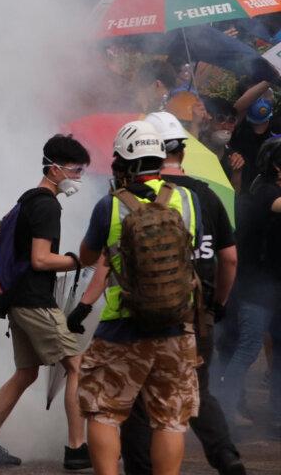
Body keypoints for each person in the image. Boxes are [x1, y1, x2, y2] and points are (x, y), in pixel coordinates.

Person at [111, 112, 244, 475]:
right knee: (195, 391)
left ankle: (140, 469)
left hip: (142, 314)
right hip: (195, 313)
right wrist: (219, 303)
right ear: (183, 150)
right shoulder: (204, 195)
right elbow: (229, 259)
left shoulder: (128, 197)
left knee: (138, 399)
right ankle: (226, 457)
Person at [75, 120, 202, 475]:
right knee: (169, 418)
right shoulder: (187, 200)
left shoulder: (109, 206)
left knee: (104, 411)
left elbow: (87, 257)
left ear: (125, 163)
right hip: (176, 325)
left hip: (121, 325)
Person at [0, 134, 90, 470]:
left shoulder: (28, 200)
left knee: (25, 373)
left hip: (18, 300)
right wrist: (77, 261)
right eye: (75, 170)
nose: (79, 177)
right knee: (76, 366)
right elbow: (41, 259)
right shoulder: (46, 205)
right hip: (34, 301)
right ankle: (76, 448)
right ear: (54, 170)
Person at [218, 137, 281, 430]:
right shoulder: (265, 192)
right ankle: (225, 408)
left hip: (272, 284)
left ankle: (277, 414)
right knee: (248, 347)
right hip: (256, 287)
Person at [225, 81, 274, 193]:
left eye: (265, 95)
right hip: (237, 186)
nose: (262, 100)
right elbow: (237, 108)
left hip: (263, 193)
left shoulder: (276, 128)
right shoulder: (238, 126)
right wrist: (269, 80)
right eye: (257, 96)